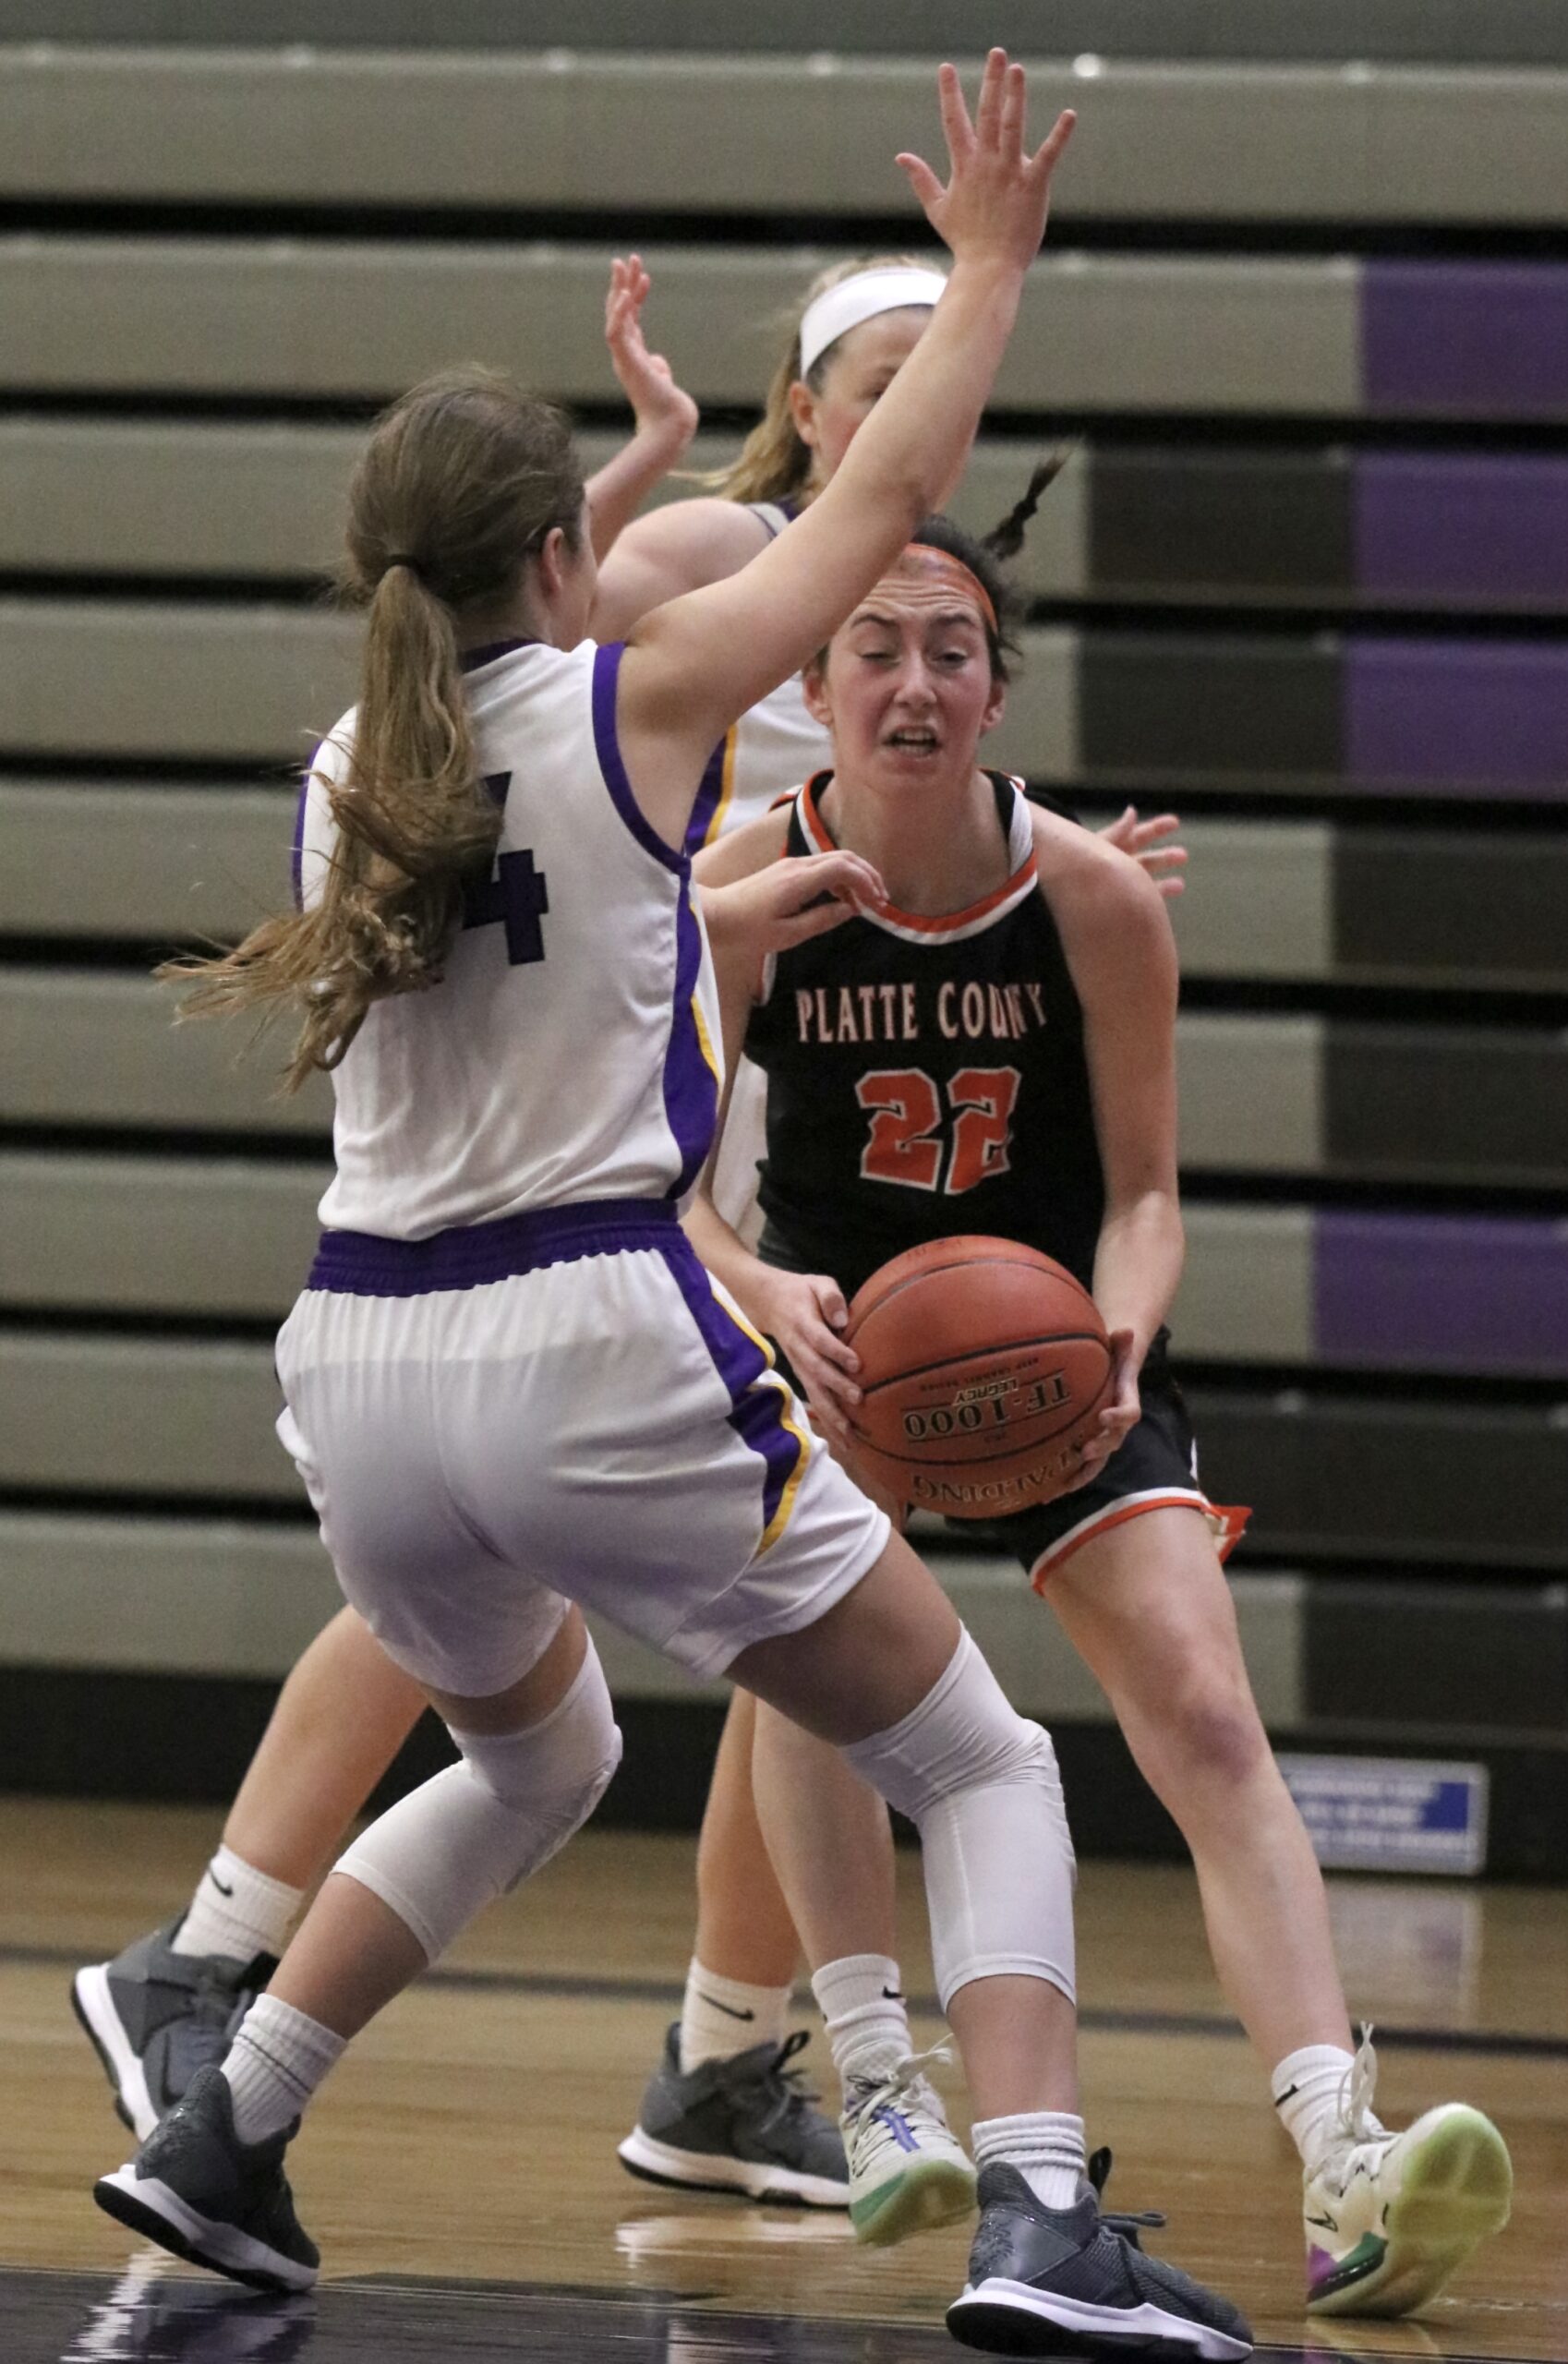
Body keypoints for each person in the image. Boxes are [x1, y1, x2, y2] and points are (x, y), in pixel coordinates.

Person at [90, 57, 1253, 2359]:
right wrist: (993, 271)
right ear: (565, 561)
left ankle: (230, 2121)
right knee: (982, 1756)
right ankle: (1042, 2214)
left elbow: (546, 952)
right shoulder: (633, 701)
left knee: (540, 1754)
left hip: (361, 1363)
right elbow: (888, 496)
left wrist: (709, 901)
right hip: (586, 1328)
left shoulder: (355, 766)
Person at [657, 506, 1513, 2321]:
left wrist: (1124, 1322)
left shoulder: (1090, 898)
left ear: (995, 689)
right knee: (813, 1686)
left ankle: (1341, 2147)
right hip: (841, 1342)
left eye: (949, 649)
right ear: (812, 680)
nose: (912, 680)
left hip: (1054, 1344)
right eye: (875, 647)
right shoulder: (742, 888)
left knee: (1201, 1702)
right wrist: (764, 1294)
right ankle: (882, 2082)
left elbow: (1144, 1191)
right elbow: (665, 1192)